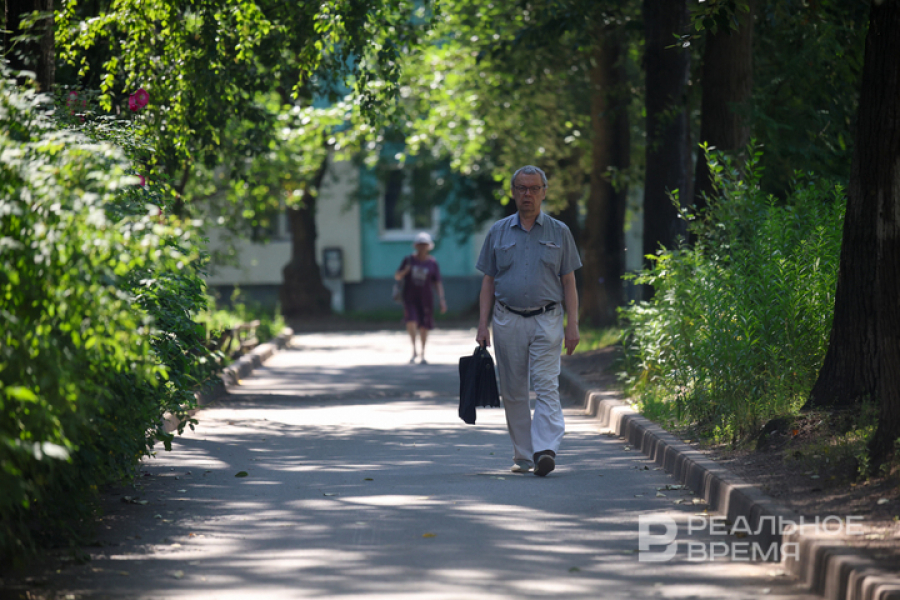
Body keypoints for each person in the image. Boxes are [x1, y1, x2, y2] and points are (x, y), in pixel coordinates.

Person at [475, 165, 581, 477]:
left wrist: (572, 324)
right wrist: (483, 325)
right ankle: (524, 455)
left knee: (546, 385)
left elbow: (570, 282)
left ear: (544, 192)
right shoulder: (498, 231)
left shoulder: (559, 231)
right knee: (514, 390)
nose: (528, 194)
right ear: (513, 192)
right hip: (507, 319)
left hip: (547, 319)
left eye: (534, 189)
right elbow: (487, 282)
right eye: (522, 188)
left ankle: (545, 449)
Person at [395, 232, 447, 364]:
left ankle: (423, 353)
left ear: (429, 246)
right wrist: (406, 271)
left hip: (426, 299)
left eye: (425, 245)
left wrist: (441, 299)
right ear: (416, 246)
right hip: (410, 297)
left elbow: (437, 283)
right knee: (411, 321)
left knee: (424, 326)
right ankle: (414, 349)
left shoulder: (432, 263)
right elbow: (397, 276)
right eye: (420, 245)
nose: (422, 247)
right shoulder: (408, 260)